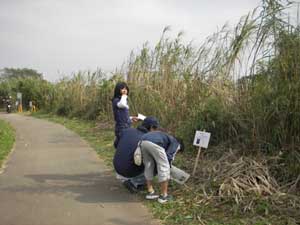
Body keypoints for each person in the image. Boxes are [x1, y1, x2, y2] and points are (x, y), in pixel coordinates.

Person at [140, 118, 184, 203]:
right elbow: (169, 157)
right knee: (164, 167)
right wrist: (169, 170)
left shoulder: (165, 137)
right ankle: (164, 196)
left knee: (149, 165)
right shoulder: (176, 143)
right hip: (153, 142)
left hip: (143, 140)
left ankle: (150, 192)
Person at [113, 117, 159, 193]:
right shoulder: (147, 139)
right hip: (129, 170)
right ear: (151, 128)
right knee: (155, 164)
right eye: (155, 129)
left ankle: (128, 178)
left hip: (117, 167)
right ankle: (134, 182)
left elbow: (116, 145)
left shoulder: (127, 131)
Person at [111, 82, 138, 148]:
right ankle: (117, 146)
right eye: (122, 88)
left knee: (123, 143)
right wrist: (124, 95)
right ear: (118, 90)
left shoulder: (123, 100)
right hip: (121, 127)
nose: (125, 90)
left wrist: (131, 118)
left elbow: (123, 115)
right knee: (124, 144)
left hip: (127, 125)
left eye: (126, 88)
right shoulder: (116, 100)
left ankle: (117, 145)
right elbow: (122, 105)